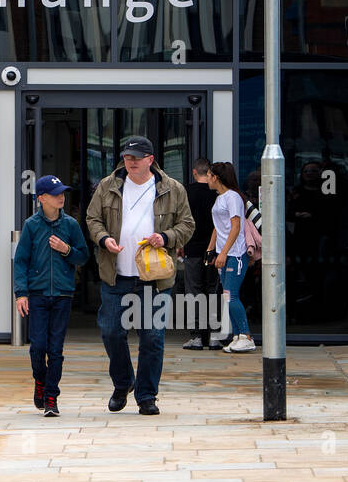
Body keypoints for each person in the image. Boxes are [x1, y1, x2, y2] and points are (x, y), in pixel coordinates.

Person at [85, 136, 194, 416]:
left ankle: (146, 395)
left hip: (154, 280)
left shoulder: (173, 189)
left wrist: (166, 236)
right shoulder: (107, 187)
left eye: (136, 157)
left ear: (150, 159)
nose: (130, 162)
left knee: (152, 338)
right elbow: (92, 218)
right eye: (127, 157)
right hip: (116, 275)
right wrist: (103, 238)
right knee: (111, 333)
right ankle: (123, 383)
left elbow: (187, 224)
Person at [13, 175, 88, 417]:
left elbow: (83, 256)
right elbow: (21, 261)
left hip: (63, 294)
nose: (61, 197)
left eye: (63, 193)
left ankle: (51, 397)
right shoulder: (32, 225)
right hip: (37, 294)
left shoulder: (71, 225)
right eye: (56, 194)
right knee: (38, 347)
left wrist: (66, 249)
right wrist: (20, 293)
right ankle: (40, 380)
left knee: (56, 349)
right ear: (41, 198)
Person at [205, 161, 254, 353]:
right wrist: (211, 250)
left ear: (216, 177)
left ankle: (246, 336)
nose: (207, 178)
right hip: (223, 253)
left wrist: (224, 252)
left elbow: (236, 227)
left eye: (208, 175)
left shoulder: (233, 197)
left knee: (231, 295)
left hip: (235, 254)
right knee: (228, 296)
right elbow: (218, 227)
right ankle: (237, 336)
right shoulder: (220, 198)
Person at [182, 158, 222, 350]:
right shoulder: (218, 193)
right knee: (213, 290)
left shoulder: (186, 193)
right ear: (211, 174)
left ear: (194, 172)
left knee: (193, 292)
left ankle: (197, 336)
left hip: (192, 249)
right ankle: (215, 335)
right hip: (215, 250)